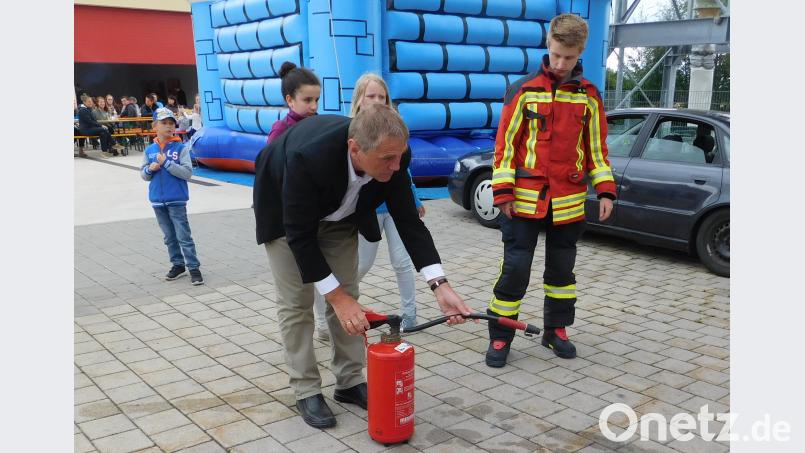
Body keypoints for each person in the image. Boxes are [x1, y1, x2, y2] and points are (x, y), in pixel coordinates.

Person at [252, 103, 473, 429]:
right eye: (387, 159)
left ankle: (349, 381)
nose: (397, 167)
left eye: (400, 157)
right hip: (288, 221)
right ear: (354, 148)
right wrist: (336, 297)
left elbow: (408, 221)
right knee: (297, 304)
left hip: (341, 218)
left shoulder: (395, 156)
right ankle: (306, 389)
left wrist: (439, 284)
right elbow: (300, 238)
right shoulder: (307, 158)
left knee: (349, 296)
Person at [485, 13, 617, 366]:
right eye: (556, 55)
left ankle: (555, 331)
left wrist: (605, 190)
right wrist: (503, 194)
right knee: (515, 269)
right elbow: (505, 148)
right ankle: (501, 335)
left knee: (562, 273)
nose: (560, 64)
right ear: (548, 46)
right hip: (523, 204)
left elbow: (597, 150)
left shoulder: (589, 96)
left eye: (569, 58)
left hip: (569, 203)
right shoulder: (524, 92)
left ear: (580, 54)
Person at [311, 73, 424, 342]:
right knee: (358, 266)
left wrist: (415, 201)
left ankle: (410, 315)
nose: (376, 101)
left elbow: (401, 172)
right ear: (358, 99)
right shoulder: (349, 133)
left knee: (403, 261)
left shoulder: (394, 129)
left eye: (381, 96)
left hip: (394, 209)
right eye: (370, 95)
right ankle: (327, 311)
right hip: (365, 213)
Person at [140, 108, 204, 286]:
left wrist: (166, 163)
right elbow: (143, 175)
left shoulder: (180, 148)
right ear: (155, 126)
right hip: (158, 201)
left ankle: (193, 267)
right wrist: (149, 169)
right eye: (164, 123)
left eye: (171, 123)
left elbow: (187, 173)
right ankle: (178, 264)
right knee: (169, 236)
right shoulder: (149, 150)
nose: (169, 127)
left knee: (183, 235)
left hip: (176, 199)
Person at [267, 61, 320, 143]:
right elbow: (270, 155)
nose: (314, 107)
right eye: (307, 100)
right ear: (290, 100)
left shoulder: (320, 123)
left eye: (316, 100)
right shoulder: (281, 130)